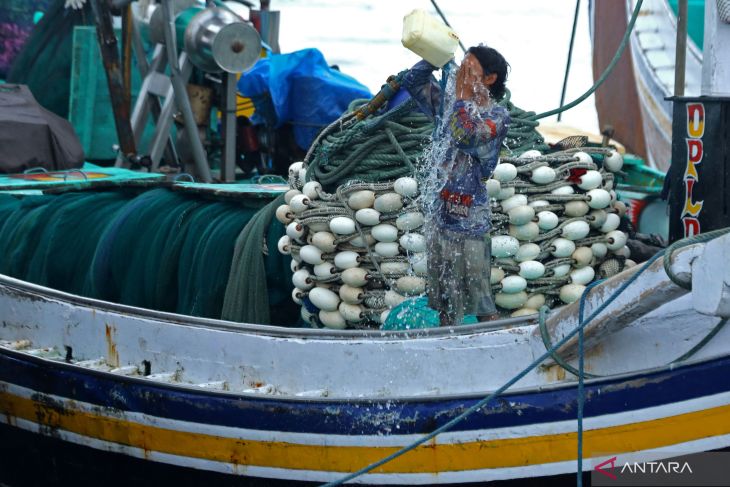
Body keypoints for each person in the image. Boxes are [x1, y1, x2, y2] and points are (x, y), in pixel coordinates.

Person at [402, 45, 511, 326]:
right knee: (444, 301)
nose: (461, 74)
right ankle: (445, 348)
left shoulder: (497, 117)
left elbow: (466, 135)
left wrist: (461, 98)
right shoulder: (450, 106)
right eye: (461, 67)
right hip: (440, 217)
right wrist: (433, 55)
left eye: (469, 69)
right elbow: (412, 83)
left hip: (471, 222)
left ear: (489, 78)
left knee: (481, 298)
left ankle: (493, 346)